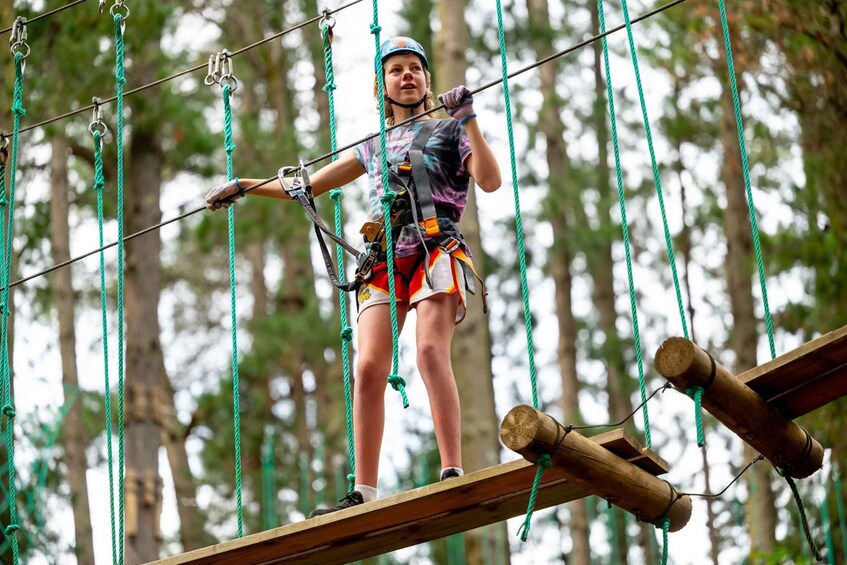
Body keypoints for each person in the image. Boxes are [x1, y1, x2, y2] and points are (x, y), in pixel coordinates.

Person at [205, 36, 501, 516]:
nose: (407, 76)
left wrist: (468, 118)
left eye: (415, 70)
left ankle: (452, 470)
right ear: (381, 85)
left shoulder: (450, 131)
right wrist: (246, 187)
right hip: (383, 256)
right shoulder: (371, 146)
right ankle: (363, 490)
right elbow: (312, 183)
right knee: (367, 367)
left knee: (429, 350)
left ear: (427, 81)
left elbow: (489, 180)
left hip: (436, 247)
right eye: (396, 70)